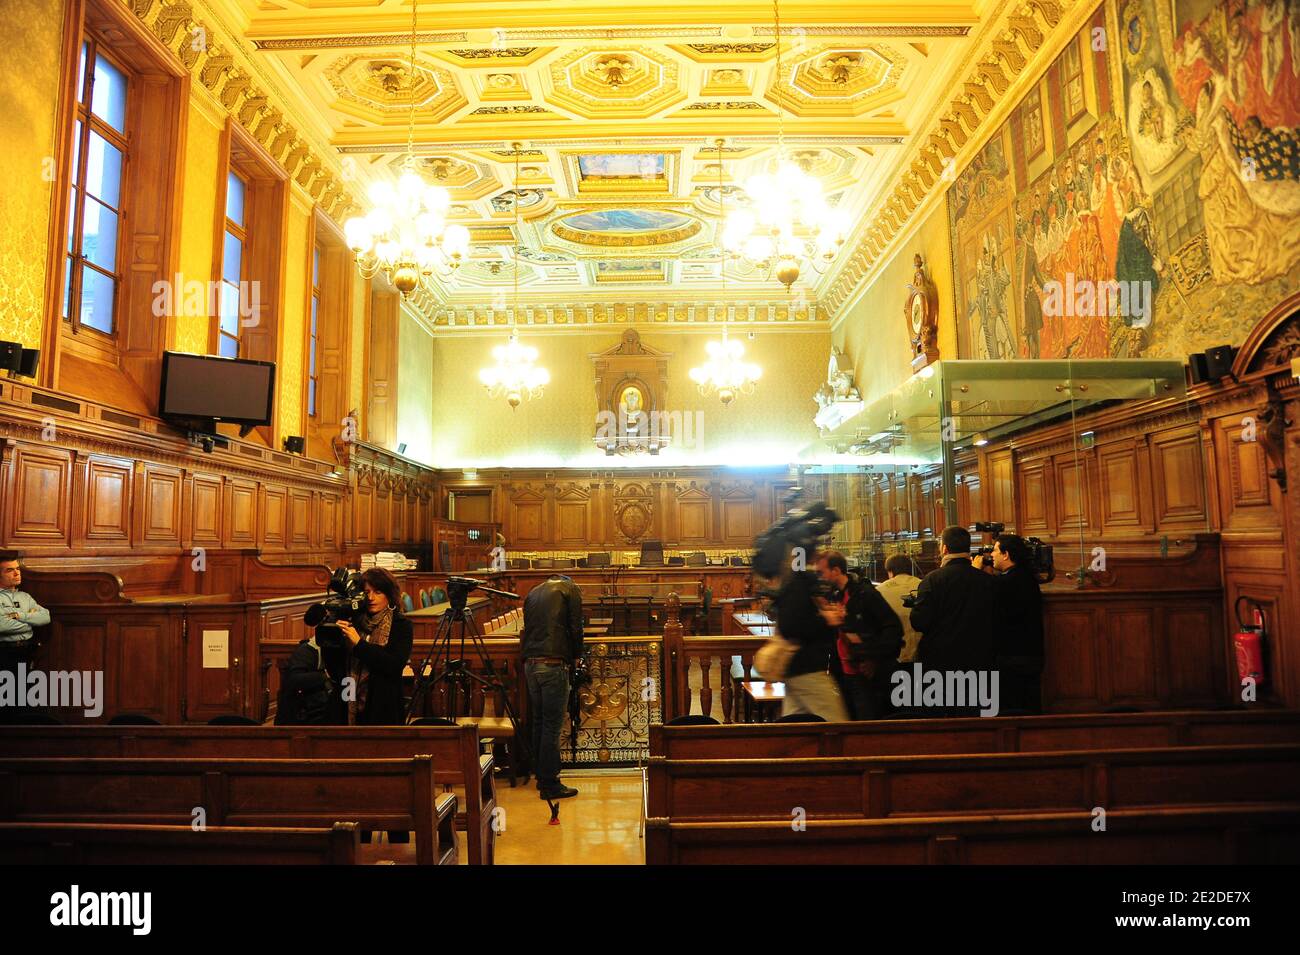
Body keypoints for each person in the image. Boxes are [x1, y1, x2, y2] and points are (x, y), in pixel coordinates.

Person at [908, 526, 996, 715]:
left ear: (944, 548)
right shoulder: (986, 580)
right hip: (978, 658)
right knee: (975, 717)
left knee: (940, 717)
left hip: (940, 661)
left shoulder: (933, 579)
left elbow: (920, 622)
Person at [817, 551, 902, 720]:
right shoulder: (834, 595)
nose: (819, 577)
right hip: (842, 673)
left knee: (866, 723)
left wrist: (873, 658)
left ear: (835, 571)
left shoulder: (865, 594)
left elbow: (893, 628)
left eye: (822, 572)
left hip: (864, 673)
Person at [521, 574, 584, 800]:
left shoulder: (533, 591)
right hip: (553, 663)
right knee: (551, 726)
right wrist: (578, 655)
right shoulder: (570, 589)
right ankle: (550, 783)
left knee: (539, 721)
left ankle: (540, 776)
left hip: (530, 664)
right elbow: (576, 625)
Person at [776, 549, 849, 722]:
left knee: (793, 727)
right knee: (838, 727)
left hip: (795, 668)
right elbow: (792, 626)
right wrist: (827, 620)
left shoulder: (795, 581)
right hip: (808, 668)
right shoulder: (799, 582)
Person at [335, 568, 413, 726]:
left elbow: (394, 664)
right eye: (366, 592)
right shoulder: (354, 620)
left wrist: (359, 644)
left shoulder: (401, 624)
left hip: (383, 702)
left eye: (377, 592)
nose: (370, 598)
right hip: (349, 693)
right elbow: (338, 666)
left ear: (389, 595)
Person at [991, 534, 1045, 714]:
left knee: (1013, 709)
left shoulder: (1007, 581)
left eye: (995, 550)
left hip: (1013, 656)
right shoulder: (1026, 577)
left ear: (1006, 555)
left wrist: (977, 572)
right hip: (1031, 653)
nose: (991, 554)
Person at [0, 551, 50, 668]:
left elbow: (46, 616)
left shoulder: (25, 597)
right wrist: (31, 623)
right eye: (9, 570)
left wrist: (20, 616)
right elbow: (2, 625)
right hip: (4, 654)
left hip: (28, 652)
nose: (17, 573)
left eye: (17, 569)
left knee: (27, 685)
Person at [876, 555, 923, 663]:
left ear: (890, 572)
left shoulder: (879, 591)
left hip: (893, 655)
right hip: (922, 653)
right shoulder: (924, 585)